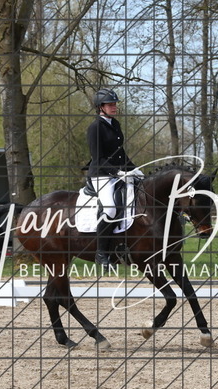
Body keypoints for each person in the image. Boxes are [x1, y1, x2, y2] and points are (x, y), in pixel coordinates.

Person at [87, 88, 141, 268]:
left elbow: (120, 153)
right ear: (100, 107)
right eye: (110, 104)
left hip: (118, 174)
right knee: (110, 208)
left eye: (115, 104)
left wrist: (134, 169)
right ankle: (101, 253)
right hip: (101, 175)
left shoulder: (115, 124)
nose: (114, 107)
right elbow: (98, 158)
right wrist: (117, 173)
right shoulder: (95, 127)